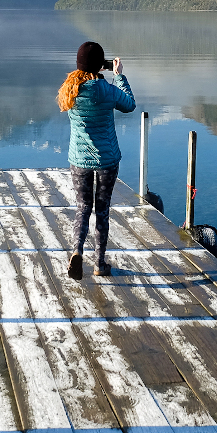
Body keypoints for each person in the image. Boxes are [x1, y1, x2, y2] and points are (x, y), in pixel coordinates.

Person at [56, 41, 135, 279]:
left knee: (82, 208)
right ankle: (100, 264)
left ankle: (76, 251)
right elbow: (129, 105)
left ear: (79, 64)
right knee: (102, 211)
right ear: (102, 65)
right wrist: (119, 76)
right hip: (107, 161)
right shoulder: (107, 90)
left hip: (79, 160)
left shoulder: (69, 90)